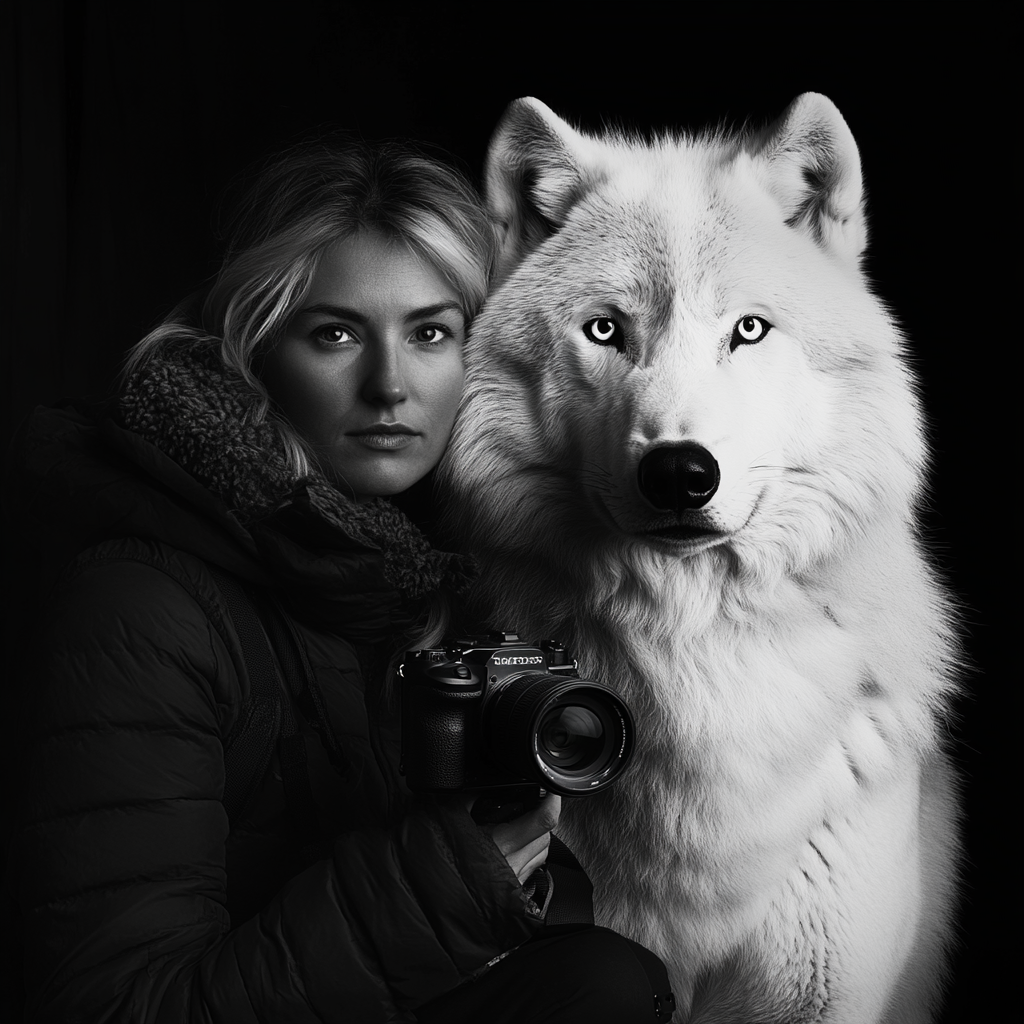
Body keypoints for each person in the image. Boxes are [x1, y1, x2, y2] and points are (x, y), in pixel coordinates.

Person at [6, 138, 672, 1022]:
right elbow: (119, 1008)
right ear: (253, 350)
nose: (389, 384)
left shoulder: (434, 574)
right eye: (336, 334)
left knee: (600, 980)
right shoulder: (140, 608)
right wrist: (452, 880)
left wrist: (516, 865)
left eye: (431, 332)